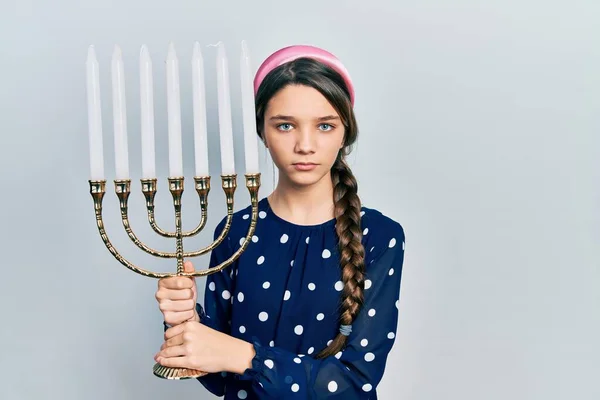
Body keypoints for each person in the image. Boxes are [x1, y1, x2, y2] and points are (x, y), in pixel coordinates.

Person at [153, 44, 406, 399]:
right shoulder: (235, 232)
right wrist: (184, 322)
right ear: (263, 133)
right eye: (285, 125)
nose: (305, 145)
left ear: (345, 132)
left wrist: (246, 356)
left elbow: (353, 382)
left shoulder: (379, 236)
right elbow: (220, 379)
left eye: (324, 125)